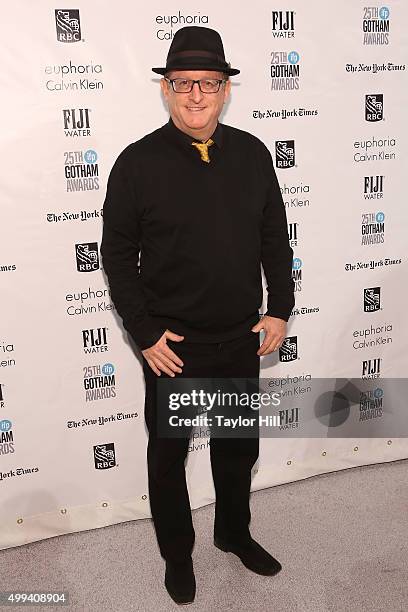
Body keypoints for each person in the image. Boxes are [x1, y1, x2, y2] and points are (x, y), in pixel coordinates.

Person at [101, 26, 295, 605]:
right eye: (183, 83)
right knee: (169, 457)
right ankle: (177, 555)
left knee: (239, 448)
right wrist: (143, 331)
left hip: (240, 337)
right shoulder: (136, 163)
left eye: (208, 83)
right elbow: (116, 256)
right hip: (173, 346)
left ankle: (234, 533)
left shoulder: (254, 153)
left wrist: (280, 310)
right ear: (166, 89)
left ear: (225, 89)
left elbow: (274, 240)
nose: (196, 95)